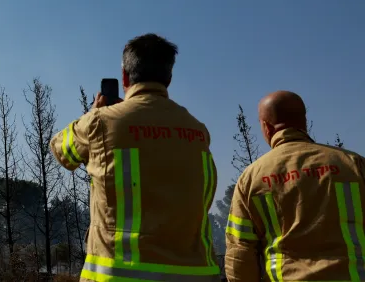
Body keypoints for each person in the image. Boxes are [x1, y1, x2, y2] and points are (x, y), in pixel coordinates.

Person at [50, 33, 221, 282]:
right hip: (197, 275)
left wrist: (94, 113)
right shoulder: (198, 130)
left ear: (124, 77)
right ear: (169, 78)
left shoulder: (100, 122)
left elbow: (60, 150)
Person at [225, 90, 365, 281]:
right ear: (304, 121)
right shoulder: (352, 163)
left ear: (266, 127)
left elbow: (240, 252)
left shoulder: (251, 178)